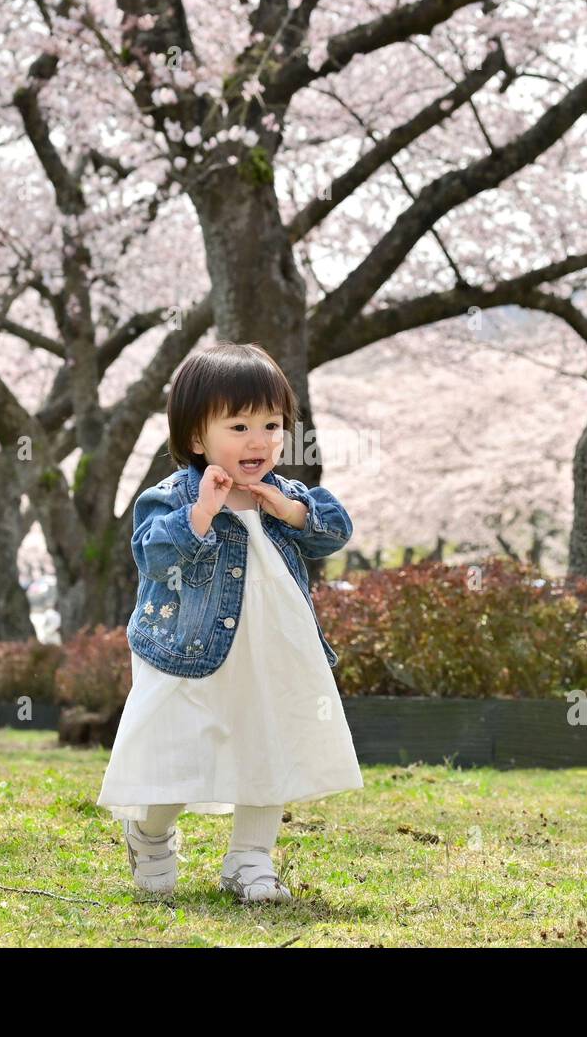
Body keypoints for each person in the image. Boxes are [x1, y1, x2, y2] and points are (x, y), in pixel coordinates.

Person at [96, 341, 362, 902]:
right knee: (179, 745)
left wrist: (289, 509)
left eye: (271, 424)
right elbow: (154, 558)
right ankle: (150, 833)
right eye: (239, 426)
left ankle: (250, 857)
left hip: (274, 646)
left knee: (272, 739)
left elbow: (335, 531)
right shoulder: (172, 497)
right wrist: (202, 514)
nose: (260, 440)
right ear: (197, 438)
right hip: (188, 651)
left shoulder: (283, 496)